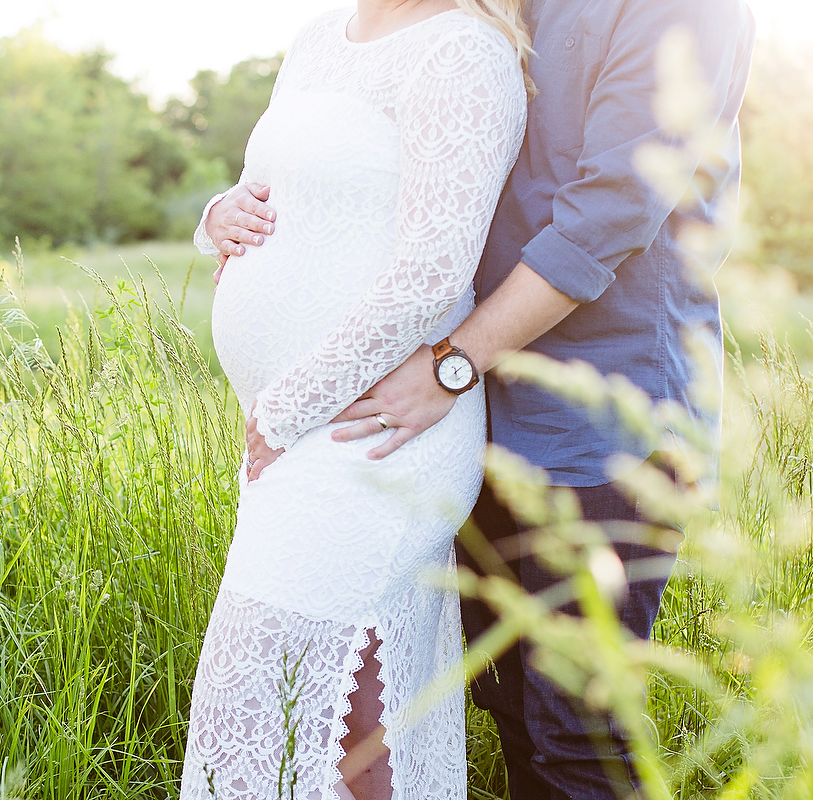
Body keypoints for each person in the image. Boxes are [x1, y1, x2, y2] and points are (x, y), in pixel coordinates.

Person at [199, 0, 756, 797]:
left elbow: (610, 214)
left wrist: (452, 363)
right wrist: (223, 212)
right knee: (514, 720)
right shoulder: (495, 6)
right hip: (481, 416)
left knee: (577, 734)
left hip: (605, 425)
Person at [180, 1, 530, 798]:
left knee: (257, 685)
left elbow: (433, 272)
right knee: (355, 715)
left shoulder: (464, 50)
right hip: (303, 432)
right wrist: (217, 215)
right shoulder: (317, 38)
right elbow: (275, 186)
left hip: (374, 433)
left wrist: (284, 408)